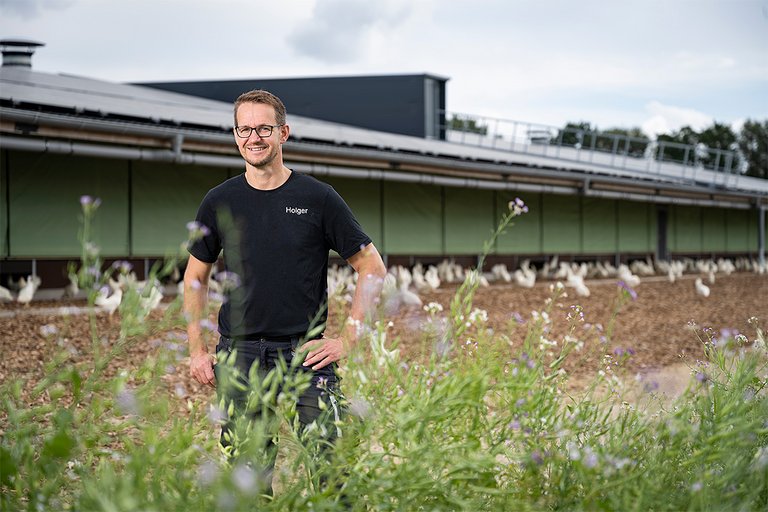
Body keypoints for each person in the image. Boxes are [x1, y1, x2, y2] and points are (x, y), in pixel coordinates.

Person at [183, 89, 387, 491]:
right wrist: (196, 349)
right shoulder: (219, 201)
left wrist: (349, 337)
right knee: (248, 476)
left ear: (284, 133)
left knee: (331, 469)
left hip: (305, 354)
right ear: (235, 134)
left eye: (263, 128)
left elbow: (372, 267)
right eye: (244, 129)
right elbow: (195, 277)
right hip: (238, 354)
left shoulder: (318, 198)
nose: (253, 138)